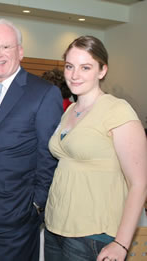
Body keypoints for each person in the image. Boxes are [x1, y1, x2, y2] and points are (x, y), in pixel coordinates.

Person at [0, 18, 63, 261]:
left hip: (15, 218)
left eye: (5, 47)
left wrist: (36, 205)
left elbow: (48, 156)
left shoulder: (44, 93)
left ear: (20, 51)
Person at [44, 36, 147, 261]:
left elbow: (139, 183)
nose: (75, 74)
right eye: (70, 66)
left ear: (102, 70)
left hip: (93, 235)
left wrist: (121, 243)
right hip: (55, 228)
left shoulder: (117, 110)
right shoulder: (69, 111)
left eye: (85, 67)